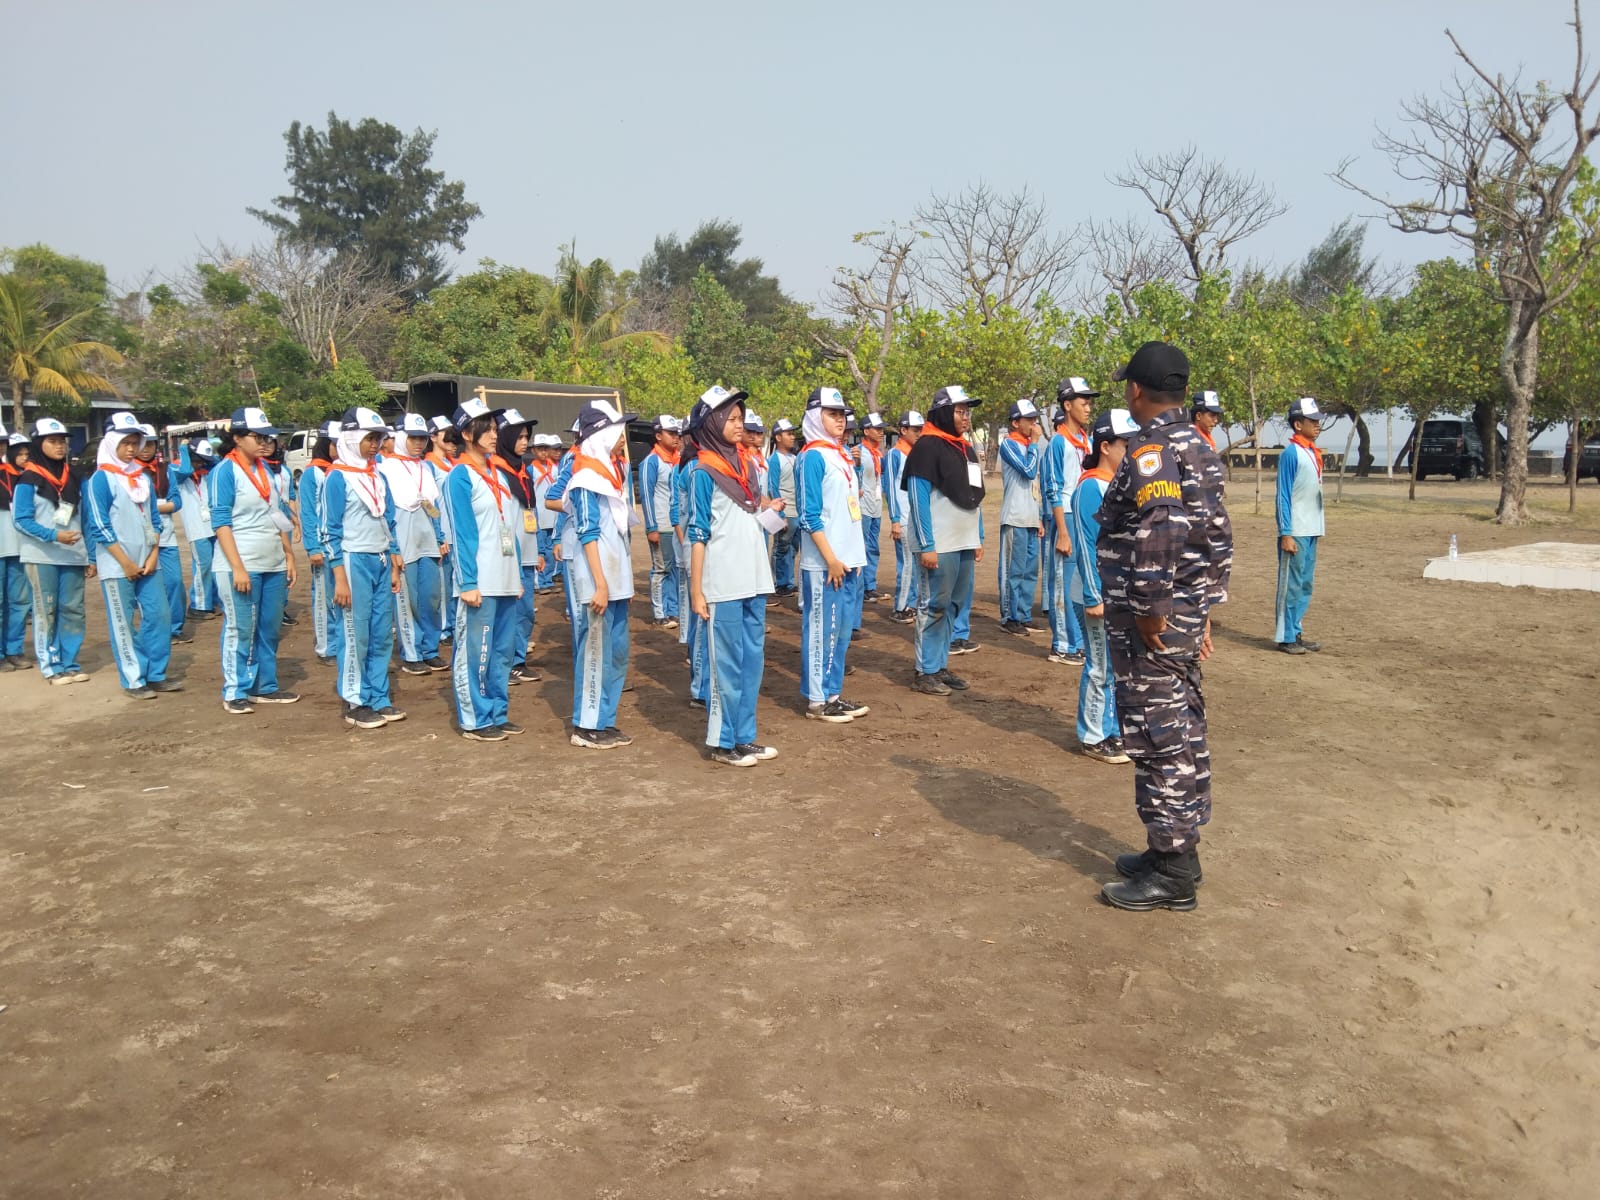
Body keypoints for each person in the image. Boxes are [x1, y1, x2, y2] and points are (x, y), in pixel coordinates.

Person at [1096, 342, 1232, 912]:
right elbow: (1218, 534)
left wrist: (1153, 605)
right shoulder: (1199, 446)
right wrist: (1204, 608)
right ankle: (1174, 849)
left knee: (1159, 735)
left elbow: (1162, 523)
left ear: (1134, 392)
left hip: (1154, 622)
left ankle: (1173, 869)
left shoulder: (1153, 450)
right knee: (1183, 724)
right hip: (1184, 612)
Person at [686, 388, 783, 766]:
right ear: (710, 424)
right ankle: (723, 742)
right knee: (725, 664)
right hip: (722, 582)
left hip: (755, 579)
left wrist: (769, 509)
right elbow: (698, 534)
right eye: (730, 418)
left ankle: (745, 736)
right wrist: (697, 591)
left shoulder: (748, 466)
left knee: (751, 661)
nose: (739, 424)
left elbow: (748, 516)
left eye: (741, 417)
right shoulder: (703, 472)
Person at [443, 398, 523, 742]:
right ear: (466, 433)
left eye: (494, 429)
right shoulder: (460, 477)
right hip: (480, 580)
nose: (493, 435)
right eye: (485, 429)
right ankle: (475, 718)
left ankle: (496, 712)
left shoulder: (498, 474)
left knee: (502, 653)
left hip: (505, 578)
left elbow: (511, 528)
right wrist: (468, 582)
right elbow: (461, 534)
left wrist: (517, 573)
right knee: (476, 651)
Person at [211, 407, 300, 714]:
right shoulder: (225, 471)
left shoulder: (268, 472)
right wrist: (237, 567)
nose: (265, 442)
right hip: (241, 561)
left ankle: (265, 686)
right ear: (236, 438)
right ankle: (235, 689)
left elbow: (278, 517)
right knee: (241, 627)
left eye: (268, 437)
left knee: (269, 626)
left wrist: (288, 555)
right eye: (257, 436)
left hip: (272, 561)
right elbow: (221, 521)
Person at [84, 413, 180, 699]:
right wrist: (124, 562)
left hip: (148, 561)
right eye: (125, 443)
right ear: (112, 443)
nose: (131, 448)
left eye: (134, 442)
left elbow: (154, 520)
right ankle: (133, 678)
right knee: (123, 622)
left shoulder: (142, 478)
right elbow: (99, 525)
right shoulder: (101, 479)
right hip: (117, 565)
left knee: (159, 615)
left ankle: (155, 673)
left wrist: (152, 555)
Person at [562, 399, 638, 749]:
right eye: (616, 429)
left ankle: (605, 720)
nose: (623, 435)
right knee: (595, 651)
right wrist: (601, 583)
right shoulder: (585, 478)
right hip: (598, 579)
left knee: (617, 651)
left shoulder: (611, 473)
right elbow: (588, 534)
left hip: (615, 578)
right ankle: (586, 724)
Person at [323, 407, 404, 729]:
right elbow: (329, 530)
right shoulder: (337, 477)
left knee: (383, 632)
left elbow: (390, 521)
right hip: (353, 559)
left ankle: (378, 696)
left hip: (381, 559)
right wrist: (339, 578)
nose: (374, 445)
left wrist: (395, 561)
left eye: (378, 439)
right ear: (351, 438)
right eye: (369, 438)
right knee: (356, 633)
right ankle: (356, 700)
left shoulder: (378, 476)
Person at [903, 385, 986, 696]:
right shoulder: (925, 447)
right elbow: (918, 498)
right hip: (939, 544)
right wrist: (927, 544)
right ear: (942, 412)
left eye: (967, 411)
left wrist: (977, 536)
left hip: (963, 541)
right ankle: (924, 670)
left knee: (954, 604)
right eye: (960, 411)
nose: (965, 417)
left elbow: (974, 496)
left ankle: (939, 665)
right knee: (933, 604)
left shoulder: (965, 448)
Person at [1070, 408, 1140, 765]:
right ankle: (1092, 735)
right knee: (1100, 665)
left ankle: (1110, 729)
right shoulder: (1090, 487)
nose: (1132, 450)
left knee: (1116, 665)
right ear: (1106, 446)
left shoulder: (1118, 486)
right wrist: (1094, 595)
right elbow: (1084, 543)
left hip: (1118, 591)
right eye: (1126, 443)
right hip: (1096, 592)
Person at [796, 387, 870, 722]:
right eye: (831, 413)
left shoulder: (839, 454)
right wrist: (831, 559)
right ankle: (816, 699)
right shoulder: (812, 456)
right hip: (825, 563)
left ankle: (833, 693)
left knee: (840, 632)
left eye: (841, 414)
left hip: (848, 561)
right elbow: (809, 515)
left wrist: (850, 558)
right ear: (814, 417)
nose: (839, 419)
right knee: (821, 630)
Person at [11, 417, 91, 683]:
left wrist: (90, 554)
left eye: (62, 441)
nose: (60, 446)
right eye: (52, 441)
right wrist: (54, 535)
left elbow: (87, 519)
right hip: (41, 555)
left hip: (74, 554)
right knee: (47, 609)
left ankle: (70, 662)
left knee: (73, 609)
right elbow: (21, 520)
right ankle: (51, 666)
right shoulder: (27, 479)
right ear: (38, 444)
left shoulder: (76, 477)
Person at [380, 412, 449, 677]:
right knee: (407, 600)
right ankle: (411, 653)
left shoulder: (425, 468)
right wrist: (393, 547)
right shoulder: (386, 468)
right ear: (399, 438)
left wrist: (440, 536)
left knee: (431, 597)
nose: (418, 444)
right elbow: (386, 512)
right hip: (404, 537)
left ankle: (430, 650)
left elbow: (433, 505)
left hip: (427, 537)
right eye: (413, 438)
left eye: (422, 438)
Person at [1042, 379, 1096, 665]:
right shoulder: (1059, 443)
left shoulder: (1086, 441)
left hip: (1084, 517)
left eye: (1089, 402)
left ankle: (1078, 640)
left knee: (1080, 580)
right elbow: (1053, 489)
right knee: (1062, 581)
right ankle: (1062, 644)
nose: (1088, 407)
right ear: (1067, 405)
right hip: (1067, 519)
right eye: (1083, 402)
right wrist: (1062, 531)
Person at [491, 408, 544, 684]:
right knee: (507, 613)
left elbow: (529, 515)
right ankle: (505, 662)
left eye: (527, 436)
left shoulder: (521, 471)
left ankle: (518, 659)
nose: (525, 442)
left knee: (524, 612)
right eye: (519, 436)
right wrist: (510, 555)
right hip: (508, 555)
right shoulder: (497, 472)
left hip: (527, 554)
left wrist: (538, 551)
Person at [1275, 397, 1326, 655]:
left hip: (1312, 529)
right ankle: (1285, 636)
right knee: (1290, 585)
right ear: (1298, 424)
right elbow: (1283, 495)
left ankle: (1296, 630)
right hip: (1295, 530)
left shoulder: (1311, 452)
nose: (1318, 425)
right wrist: (1286, 532)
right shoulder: (1291, 453)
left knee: (1305, 583)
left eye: (1318, 421)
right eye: (1312, 421)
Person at [132, 428, 188, 645]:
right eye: (142, 445)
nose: (146, 450)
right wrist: (163, 505)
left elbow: (177, 502)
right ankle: (154, 627)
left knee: (174, 582)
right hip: (140, 539)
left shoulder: (165, 470)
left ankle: (174, 628)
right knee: (145, 585)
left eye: (151, 445)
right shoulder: (130, 472)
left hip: (166, 537)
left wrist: (152, 507)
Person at [997, 398, 1045, 636]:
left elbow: (1036, 483)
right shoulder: (1009, 444)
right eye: (1029, 420)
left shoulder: (1029, 446)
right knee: (1012, 571)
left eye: (1035, 420)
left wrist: (1039, 517)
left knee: (1029, 571)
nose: (1033, 424)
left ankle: (1024, 615)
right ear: (1015, 422)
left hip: (1030, 517)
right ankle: (1009, 616)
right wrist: (1035, 444)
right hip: (1015, 517)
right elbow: (1027, 471)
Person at [297, 421, 340, 662]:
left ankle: (337, 641)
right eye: (335, 444)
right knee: (324, 598)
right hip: (322, 548)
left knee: (339, 596)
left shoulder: (338, 470)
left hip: (339, 545)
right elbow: (308, 514)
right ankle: (326, 646)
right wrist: (313, 547)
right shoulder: (312, 473)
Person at [639, 414, 683, 629]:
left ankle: (673, 609)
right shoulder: (652, 461)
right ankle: (659, 612)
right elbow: (646, 495)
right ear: (658, 435)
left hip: (675, 525)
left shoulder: (676, 460)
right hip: (661, 524)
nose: (675, 437)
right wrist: (651, 526)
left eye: (677, 433)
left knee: (674, 568)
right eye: (671, 433)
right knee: (660, 569)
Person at [170, 435, 220, 623]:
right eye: (197, 460)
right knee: (203, 566)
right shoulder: (176, 470)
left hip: (212, 526)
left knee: (215, 566)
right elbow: (186, 469)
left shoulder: (207, 472)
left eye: (203, 461)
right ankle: (198, 605)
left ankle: (211, 601)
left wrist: (207, 457)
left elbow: (217, 463)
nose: (200, 465)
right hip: (196, 528)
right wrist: (183, 450)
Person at [883, 411, 923, 624]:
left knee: (915, 563)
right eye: (915, 430)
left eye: (920, 430)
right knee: (906, 563)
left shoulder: (916, 454)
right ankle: (900, 607)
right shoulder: (895, 455)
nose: (919, 434)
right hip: (904, 519)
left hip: (916, 518)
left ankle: (911, 602)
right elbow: (890, 487)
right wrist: (895, 519)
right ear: (903, 430)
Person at [0, 428, 34, 670]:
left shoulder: (25, 476)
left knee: (20, 602)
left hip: (20, 548)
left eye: (2, 442)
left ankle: (14, 650)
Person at [425, 415, 460, 640]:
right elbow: (427, 502)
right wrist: (438, 530)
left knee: (455, 582)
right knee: (443, 585)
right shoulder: (428, 464)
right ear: (433, 436)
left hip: (456, 532)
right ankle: (444, 628)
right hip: (443, 534)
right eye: (444, 432)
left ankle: (454, 623)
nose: (450, 436)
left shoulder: (451, 463)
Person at [855, 412, 887, 622]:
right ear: (866, 431)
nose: (881, 432)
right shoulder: (860, 452)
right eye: (877, 429)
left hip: (876, 507)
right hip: (863, 508)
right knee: (863, 547)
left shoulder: (878, 453)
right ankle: (864, 587)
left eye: (882, 429)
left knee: (873, 547)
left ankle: (871, 584)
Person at [765, 417, 801, 596]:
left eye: (793, 433)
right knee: (781, 546)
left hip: (797, 510)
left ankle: (788, 582)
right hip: (786, 510)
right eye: (789, 434)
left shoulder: (795, 457)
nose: (793, 437)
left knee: (794, 547)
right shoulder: (774, 459)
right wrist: (780, 514)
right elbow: (772, 486)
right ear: (778, 437)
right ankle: (780, 583)